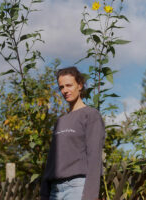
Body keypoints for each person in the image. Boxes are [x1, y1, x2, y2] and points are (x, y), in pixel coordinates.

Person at [40, 66, 105, 200]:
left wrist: (90, 196)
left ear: (80, 85)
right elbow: (52, 160)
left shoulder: (90, 115)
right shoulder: (60, 121)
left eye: (69, 85)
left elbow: (94, 158)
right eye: (61, 87)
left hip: (77, 188)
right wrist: (44, 193)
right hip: (55, 191)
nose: (65, 90)